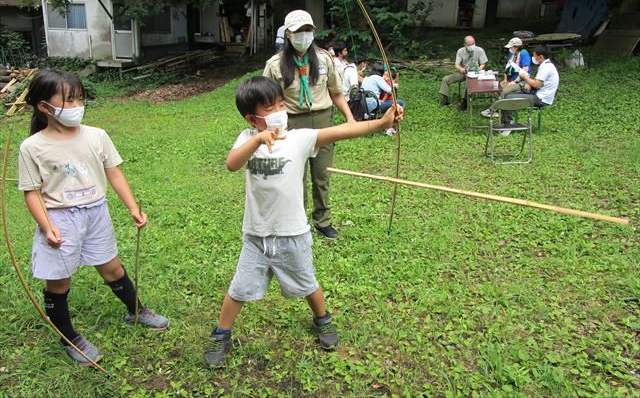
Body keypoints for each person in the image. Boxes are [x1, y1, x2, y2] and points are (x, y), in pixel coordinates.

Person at [203, 76, 404, 368]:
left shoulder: (299, 138)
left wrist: (381, 123)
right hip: (256, 236)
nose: (279, 110)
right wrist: (258, 140)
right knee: (239, 288)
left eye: (281, 103)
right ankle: (221, 334)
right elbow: (232, 163)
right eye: (271, 107)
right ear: (252, 118)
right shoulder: (247, 139)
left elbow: (341, 131)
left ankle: (323, 319)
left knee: (308, 282)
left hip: (292, 233)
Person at [18, 70, 168, 366]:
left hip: (96, 212)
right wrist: (47, 227)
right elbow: (32, 193)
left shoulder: (96, 135)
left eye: (80, 99)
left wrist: (132, 207)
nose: (77, 106)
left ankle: (135, 310)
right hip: (60, 219)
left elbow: (114, 172)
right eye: (69, 100)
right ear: (44, 107)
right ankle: (69, 338)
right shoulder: (32, 147)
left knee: (112, 267)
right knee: (58, 282)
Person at [263, 10, 356, 240]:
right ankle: (298, 220)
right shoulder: (275, 65)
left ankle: (322, 220)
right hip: (292, 123)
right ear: (288, 35)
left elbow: (336, 92)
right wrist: (268, 130)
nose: (303, 35)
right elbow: (265, 99)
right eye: (297, 32)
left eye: (307, 30)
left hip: (323, 122)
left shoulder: (324, 59)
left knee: (322, 175)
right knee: (295, 177)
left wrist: (350, 119)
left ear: (313, 32)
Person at [499, 45, 559, 136]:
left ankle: (507, 126)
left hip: (541, 98)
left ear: (541, 57)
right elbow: (538, 82)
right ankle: (508, 122)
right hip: (539, 94)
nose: (533, 58)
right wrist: (528, 83)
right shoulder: (547, 65)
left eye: (535, 56)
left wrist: (525, 77)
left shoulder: (546, 67)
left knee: (508, 98)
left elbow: (537, 84)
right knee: (510, 93)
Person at [481, 37, 531, 118]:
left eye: (511, 47)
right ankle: (496, 109)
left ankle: (493, 110)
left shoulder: (524, 54)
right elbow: (508, 67)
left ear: (516, 47)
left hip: (521, 81)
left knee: (504, 91)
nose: (510, 49)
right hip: (511, 79)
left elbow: (525, 71)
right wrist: (505, 79)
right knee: (497, 88)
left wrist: (515, 82)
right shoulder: (513, 54)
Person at [439, 35, 488, 110]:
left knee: (468, 82)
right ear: (465, 44)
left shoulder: (480, 50)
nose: (472, 46)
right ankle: (445, 99)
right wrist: (460, 69)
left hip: (475, 72)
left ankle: (464, 102)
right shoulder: (460, 51)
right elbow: (457, 64)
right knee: (445, 79)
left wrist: (477, 70)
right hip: (464, 72)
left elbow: (483, 64)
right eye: (470, 44)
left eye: (473, 44)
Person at [361, 63, 405, 136]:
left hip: (364, 105)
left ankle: (384, 123)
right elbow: (390, 90)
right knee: (400, 103)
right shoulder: (377, 78)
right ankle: (390, 127)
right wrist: (394, 85)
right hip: (374, 106)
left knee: (389, 102)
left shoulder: (366, 78)